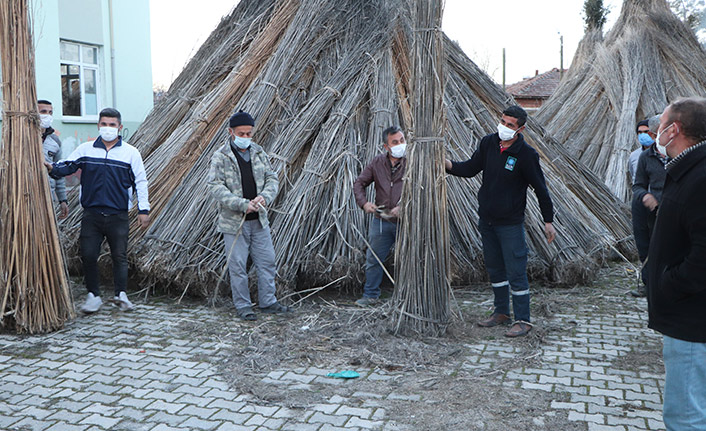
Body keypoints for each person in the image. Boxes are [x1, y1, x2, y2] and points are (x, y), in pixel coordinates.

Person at [445, 106, 555, 338]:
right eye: (502, 121)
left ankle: (523, 320)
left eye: (510, 125)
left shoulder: (526, 155)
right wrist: (447, 164)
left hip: (510, 223)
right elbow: (470, 169)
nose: (503, 127)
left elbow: (541, 190)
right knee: (495, 268)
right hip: (487, 220)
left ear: (521, 128)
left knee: (516, 270)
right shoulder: (488, 143)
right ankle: (501, 312)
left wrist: (548, 220)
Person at [45, 108, 150, 313]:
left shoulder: (130, 153)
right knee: (89, 254)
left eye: (112, 125)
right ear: (98, 126)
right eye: (104, 124)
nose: (108, 128)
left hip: (117, 215)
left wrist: (143, 209)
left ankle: (121, 294)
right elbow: (66, 167)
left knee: (119, 256)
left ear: (120, 127)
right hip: (91, 215)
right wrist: (50, 167)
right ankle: (93, 295)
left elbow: (141, 181)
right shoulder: (86, 150)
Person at [646, 97, 706, 430]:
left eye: (661, 124)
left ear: (675, 129)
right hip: (688, 316)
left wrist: (669, 284)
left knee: (685, 418)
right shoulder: (688, 170)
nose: (656, 131)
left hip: (692, 319)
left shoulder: (700, 176)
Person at [207, 110, 290, 321]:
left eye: (249, 133)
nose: (246, 138)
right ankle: (243, 306)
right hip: (234, 223)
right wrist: (242, 204)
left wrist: (264, 197)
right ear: (231, 132)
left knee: (267, 261)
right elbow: (215, 187)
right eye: (241, 133)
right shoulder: (221, 156)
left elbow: (272, 179)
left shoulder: (259, 152)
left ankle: (268, 301)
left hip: (259, 220)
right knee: (237, 266)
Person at [353, 126, 407, 306]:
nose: (400, 145)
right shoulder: (377, 163)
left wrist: (405, 206)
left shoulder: (413, 162)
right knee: (374, 258)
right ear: (386, 147)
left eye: (402, 141)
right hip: (382, 220)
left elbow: (422, 189)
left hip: (406, 222)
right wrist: (364, 203)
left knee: (409, 258)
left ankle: (407, 296)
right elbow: (359, 183)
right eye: (395, 142)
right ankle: (370, 295)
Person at [630, 114, 667, 297]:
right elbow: (637, 185)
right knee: (647, 247)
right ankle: (649, 284)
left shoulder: (681, 154)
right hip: (651, 210)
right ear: (655, 135)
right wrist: (646, 196)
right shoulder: (645, 157)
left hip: (674, 209)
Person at [38, 100, 69, 219]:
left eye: (50, 112)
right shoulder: (23, 138)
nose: (47, 115)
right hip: (26, 195)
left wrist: (62, 199)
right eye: (43, 112)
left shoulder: (54, 141)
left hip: (48, 196)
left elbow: (58, 172)